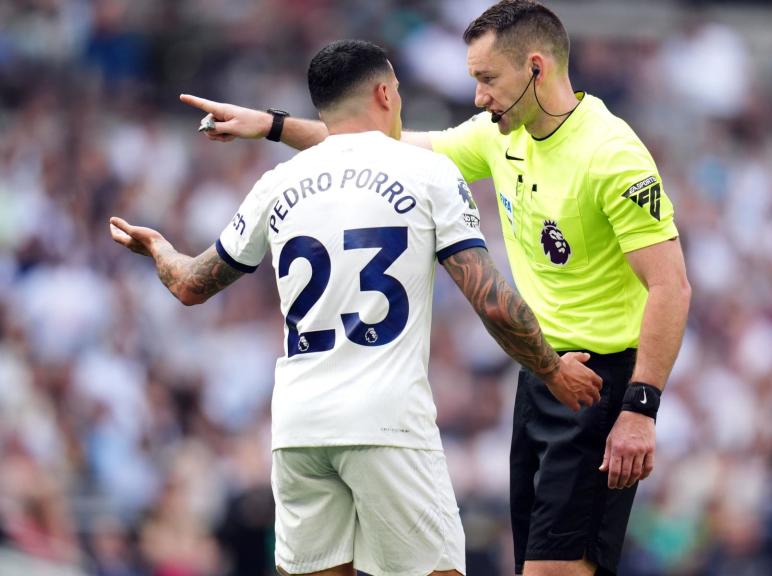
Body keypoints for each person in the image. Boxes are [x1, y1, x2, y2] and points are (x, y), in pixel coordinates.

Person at [181, 2, 692, 574]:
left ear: (537, 67)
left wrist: (639, 408)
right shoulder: (499, 136)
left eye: (487, 79)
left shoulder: (612, 154)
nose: (477, 96)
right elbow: (375, 146)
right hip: (543, 376)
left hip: (599, 383)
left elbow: (671, 286)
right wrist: (272, 126)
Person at [112, 39, 603, 576]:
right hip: (385, 423)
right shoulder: (428, 174)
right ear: (385, 93)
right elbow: (492, 301)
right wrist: (552, 370)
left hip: (299, 429)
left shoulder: (277, 182)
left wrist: (157, 249)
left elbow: (189, 284)